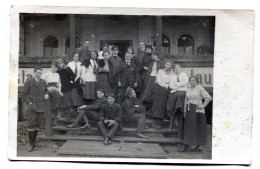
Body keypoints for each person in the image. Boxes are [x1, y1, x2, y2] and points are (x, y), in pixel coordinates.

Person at [179, 76, 212, 152]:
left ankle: (199, 145)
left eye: (193, 80)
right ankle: (187, 144)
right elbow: (186, 101)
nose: (192, 82)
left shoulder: (199, 88)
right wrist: (184, 111)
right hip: (189, 109)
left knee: (199, 127)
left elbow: (208, 97)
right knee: (189, 128)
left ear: (196, 81)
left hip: (198, 110)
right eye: (190, 80)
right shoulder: (188, 89)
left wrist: (202, 106)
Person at [22, 67, 49, 152]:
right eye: (38, 73)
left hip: (41, 106)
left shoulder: (43, 81)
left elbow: (47, 91)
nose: (39, 74)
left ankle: (34, 142)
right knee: (31, 125)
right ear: (34, 73)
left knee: (37, 125)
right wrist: (29, 103)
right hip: (32, 106)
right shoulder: (29, 81)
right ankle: (31, 144)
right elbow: (23, 94)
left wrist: (47, 95)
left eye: (40, 73)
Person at [151, 61, 173, 130]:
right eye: (167, 64)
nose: (168, 66)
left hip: (168, 88)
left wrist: (167, 85)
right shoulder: (160, 71)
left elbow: (172, 81)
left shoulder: (172, 73)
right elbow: (158, 80)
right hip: (159, 87)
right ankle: (156, 121)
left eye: (169, 65)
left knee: (164, 103)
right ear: (165, 64)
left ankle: (160, 121)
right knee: (158, 103)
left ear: (171, 66)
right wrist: (165, 85)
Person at [167, 64, 189, 131]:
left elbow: (186, 82)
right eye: (175, 68)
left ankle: (176, 114)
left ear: (180, 68)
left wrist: (177, 85)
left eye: (178, 67)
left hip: (183, 91)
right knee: (172, 98)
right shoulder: (172, 76)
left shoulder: (184, 75)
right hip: (175, 91)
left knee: (179, 96)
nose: (176, 69)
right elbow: (171, 85)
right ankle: (172, 122)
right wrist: (179, 86)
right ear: (173, 70)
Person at [41, 61, 63, 126]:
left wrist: (60, 91)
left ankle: (55, 114)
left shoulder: (57, 74)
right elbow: (41, 79)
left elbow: (59, 84)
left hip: (55, 88)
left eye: (55, 68)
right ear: (51, 68)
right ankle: (56, 111)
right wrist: (45, 83)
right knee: (57, 95)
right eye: (53, 67)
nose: (54, 69)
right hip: (49, 89)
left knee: (60, 95)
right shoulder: (47, 74)